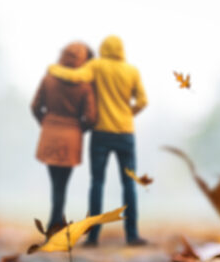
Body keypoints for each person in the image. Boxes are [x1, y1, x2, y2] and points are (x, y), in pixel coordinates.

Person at [47, 35, 148, 246]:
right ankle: (132, 235)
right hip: (125, 133)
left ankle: (93, 237)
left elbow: (76, 76)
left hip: (101, 133)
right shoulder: (132, 71)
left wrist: (54, 69)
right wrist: (128, 113)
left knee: (97, 183)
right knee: (129, 183)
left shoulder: (97, 66)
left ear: (103, 48)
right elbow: (143, 101)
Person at [30, 41, 97, 235]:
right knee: (63, 183)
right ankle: (55, 222)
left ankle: (55, 221)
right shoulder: (85, 85)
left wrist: (47, 123)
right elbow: (91, 118)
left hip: (50, 135)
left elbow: (35, 107)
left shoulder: (48, 79)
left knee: (55, 182)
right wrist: (78, 129)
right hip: (71, 138)